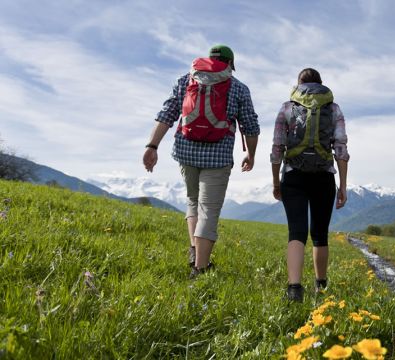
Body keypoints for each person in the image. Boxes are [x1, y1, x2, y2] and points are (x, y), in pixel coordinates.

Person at [143, 44, 260, 278]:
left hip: (186, 152)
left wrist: (152, 145)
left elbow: (167, 113)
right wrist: (251, 154)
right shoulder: (238, 88)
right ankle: (200, 269)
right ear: (230, 64)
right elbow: (251, 125)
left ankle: (195, 250)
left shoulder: (186, 80)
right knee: (209, 210)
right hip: (218, 156)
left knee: (193, 201)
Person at [271, 68, 349, 302]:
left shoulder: (287, 107)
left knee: (296, 232)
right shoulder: (333, 108)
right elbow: (341, 150)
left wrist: (276, 182)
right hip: (324, 176)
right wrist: (342, 186)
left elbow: (277, 149)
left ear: (299, 84)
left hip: (293, 176)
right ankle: (321, 287)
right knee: (319, 234)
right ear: (321, 84)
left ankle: (294, 289)